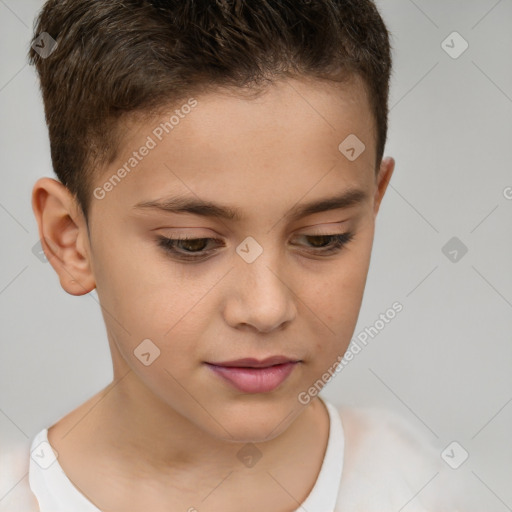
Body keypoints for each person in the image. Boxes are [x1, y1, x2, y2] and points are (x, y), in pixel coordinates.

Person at [0, 1, 475, 510]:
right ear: (70, 239)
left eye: (322, 237)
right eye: (192, 244)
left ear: (374, 204)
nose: (267, 308)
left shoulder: (418, 487)